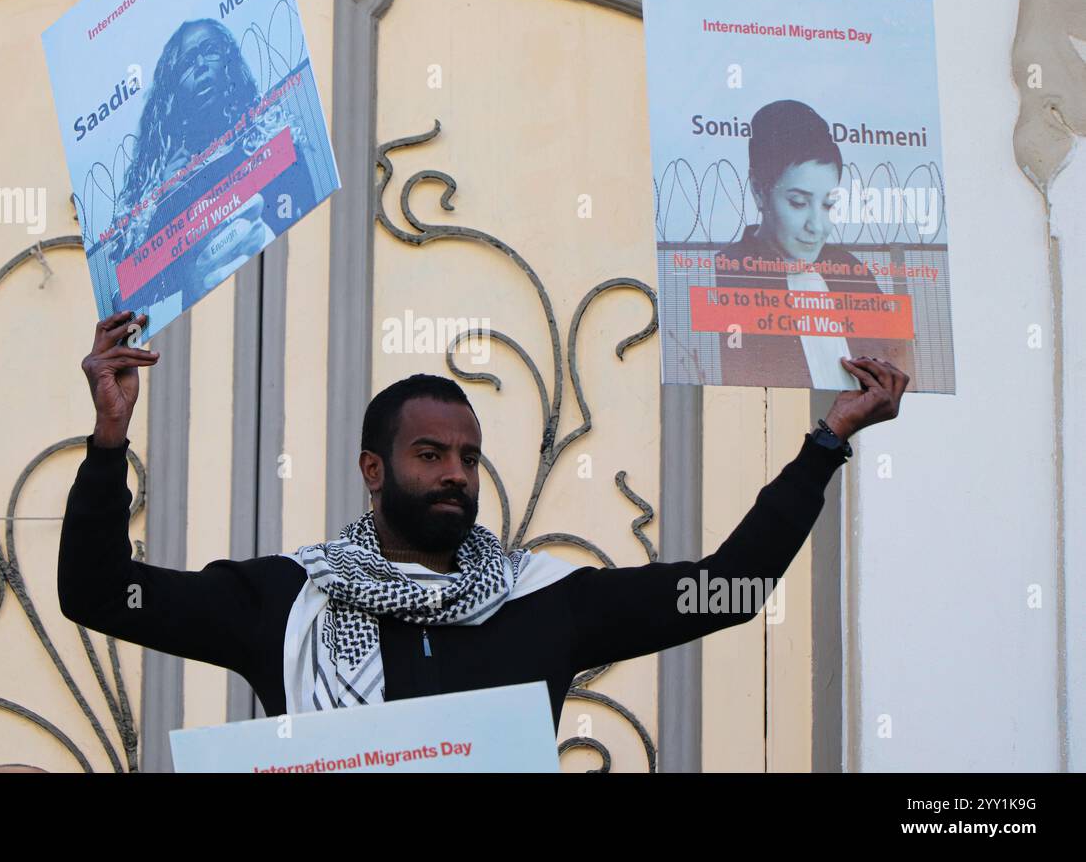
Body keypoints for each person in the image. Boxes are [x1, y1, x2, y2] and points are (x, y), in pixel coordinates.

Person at [59, 311, 908, 731]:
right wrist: (107, 442)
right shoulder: (284, 601)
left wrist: (825, 443)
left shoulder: (546, 600)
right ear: (373, 469)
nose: (456, 475)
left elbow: (727, 592)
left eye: (468, 457)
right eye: (429, 455)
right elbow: (97, 592)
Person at [108, 18, 320, 314]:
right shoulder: (162, 187)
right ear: (172, 94)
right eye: (186, 64)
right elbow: (132, 299)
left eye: (210, 51)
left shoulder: (271, 140)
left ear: (229, 61)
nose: (200, 66)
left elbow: (305, 213)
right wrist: (162, 203)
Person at [713, 99, 916, 389]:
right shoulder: (724, 275)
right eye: (798, 203)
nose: (816, 226)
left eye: (829, 205)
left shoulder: (849, 270)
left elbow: (897, 365)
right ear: (759, 192)